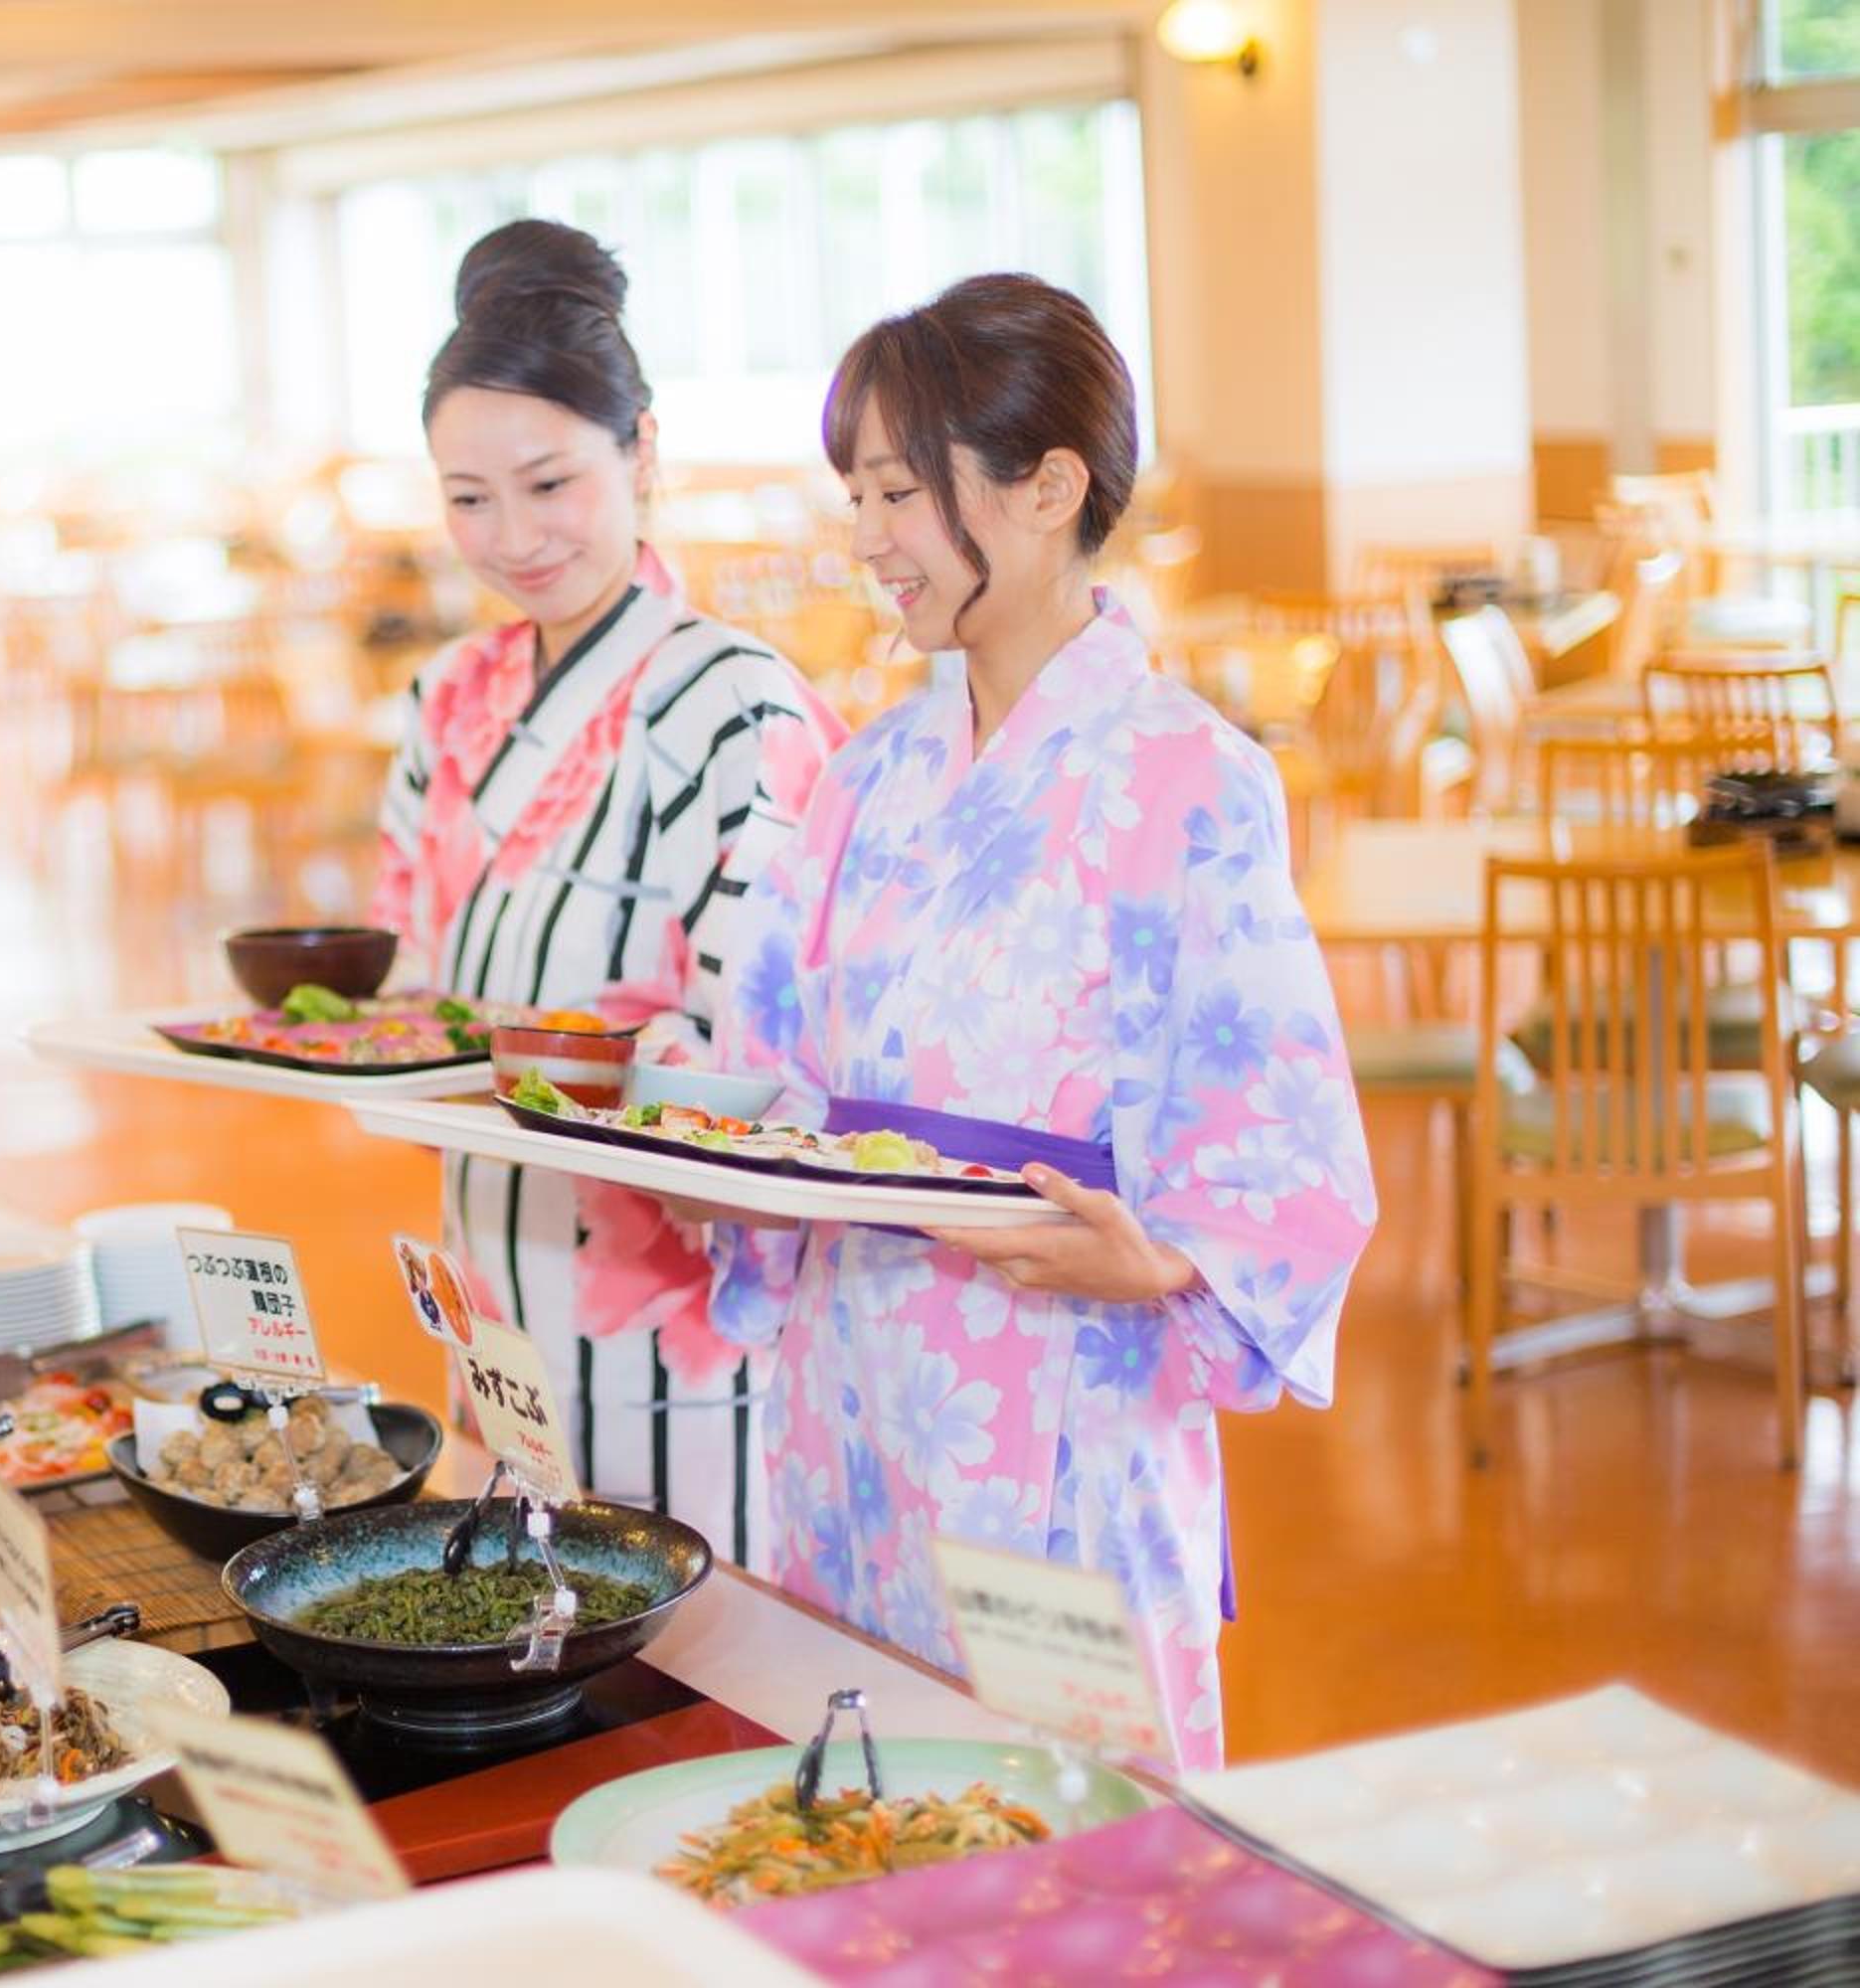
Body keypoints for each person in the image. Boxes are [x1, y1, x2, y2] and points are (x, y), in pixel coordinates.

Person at [705, 274, 1374, 1767]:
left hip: (1055, 1371)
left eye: (897, 490)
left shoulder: (1190, 778)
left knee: (1066, 1833)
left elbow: (1279, 1127)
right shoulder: (870, 772)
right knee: (866, 1811)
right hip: (851, 1392)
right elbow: (771, 1065)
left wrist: (1170, 1255)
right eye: (857, 492)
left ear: (1049, 485)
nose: (866, 536)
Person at [373, 219, 846, 1568]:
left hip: (673, 1305)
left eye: (549, 482)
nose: (512, 538)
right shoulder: (448, 702)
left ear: (643, 451)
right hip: (492, 1266)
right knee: (516, 1614)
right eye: (468, 498)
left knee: (687, 1654)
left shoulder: (734, 704)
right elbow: (405, 993)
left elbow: (762, 1049)